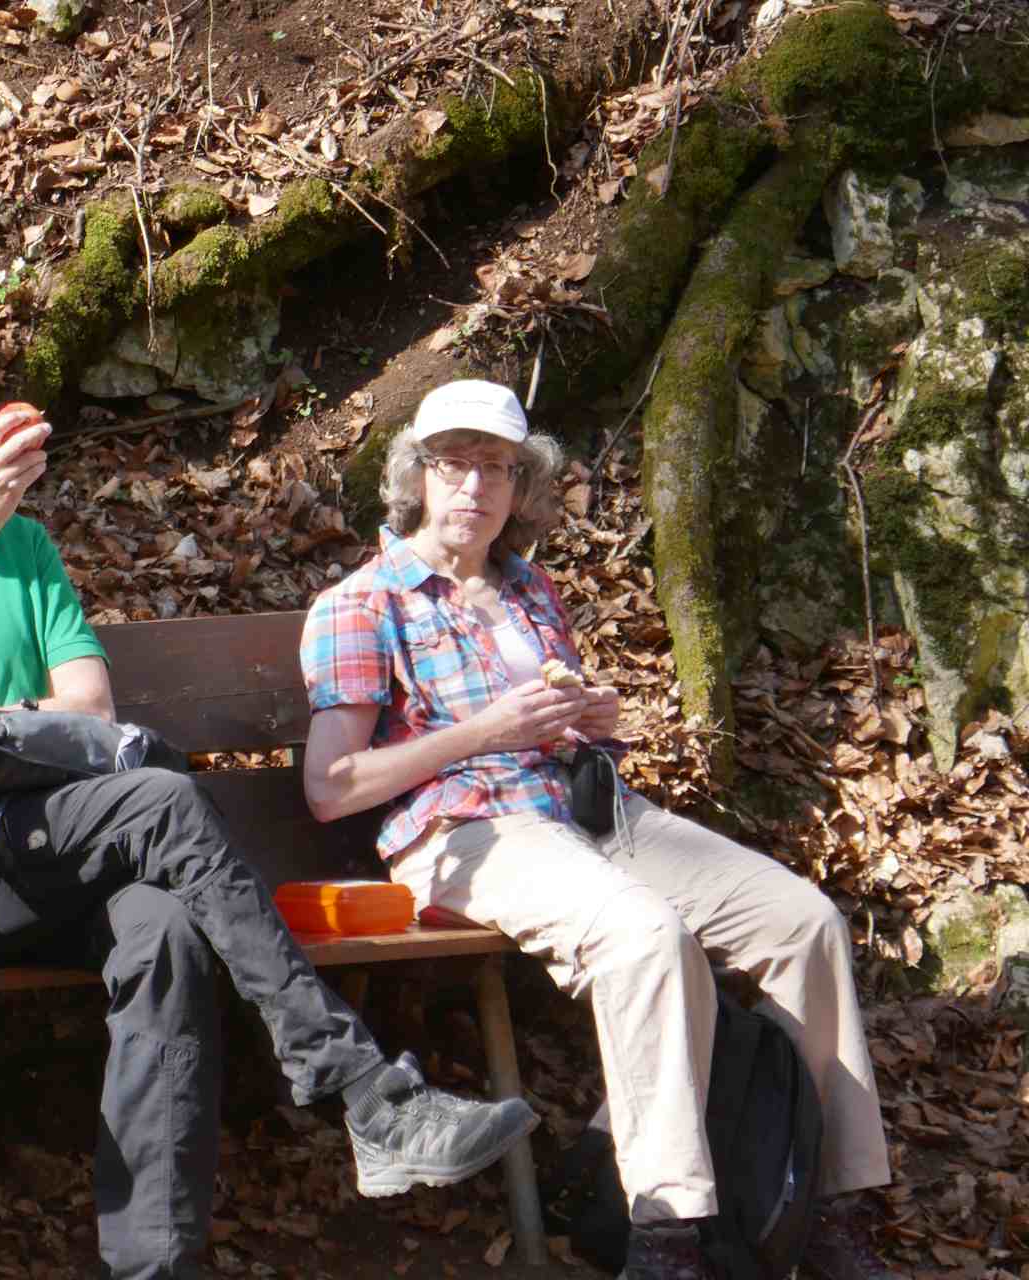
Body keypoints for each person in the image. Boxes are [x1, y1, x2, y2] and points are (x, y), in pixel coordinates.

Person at [0, 313, 540, 1280]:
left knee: (165, 929)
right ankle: (364, 1092)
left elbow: (87, 710)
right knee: (162, 802)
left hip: (54, 853)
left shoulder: (25, 546)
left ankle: (154, 1266)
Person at [297, 378, 896, 1280]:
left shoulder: (529, 587)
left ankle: (826, 1203)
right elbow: (330, 787)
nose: (474, 486)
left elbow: (553, 728)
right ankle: (668, 1234)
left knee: (801, 920)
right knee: (645, 936)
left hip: (594, 815)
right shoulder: (363, 604)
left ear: (521, 485)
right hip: (468, 832)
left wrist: (589, 719)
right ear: (416, 476)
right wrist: (484, 732)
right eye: (454, 464)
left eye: (496, 467)